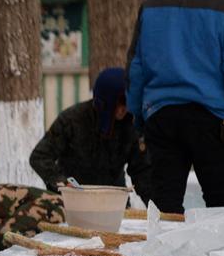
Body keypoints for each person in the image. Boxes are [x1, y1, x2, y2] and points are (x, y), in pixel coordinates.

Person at [126, 0, 224, 213]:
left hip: (160, 117)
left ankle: (165, 241)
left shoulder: (152, 4)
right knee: (222, 208)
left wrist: (138, 118)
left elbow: (136, 67)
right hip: (213, 121)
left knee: (165, 206)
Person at [29, 67, 152, 204]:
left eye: (127, 102)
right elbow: (40, 157)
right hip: (73, 202)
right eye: (120, 102)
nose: (124, 108)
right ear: (105, 101)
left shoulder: (130, 125)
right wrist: (62, 183)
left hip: (113, 204)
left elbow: (142, 171)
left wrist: (157, 207)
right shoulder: (72, 120)